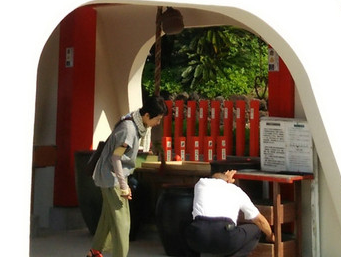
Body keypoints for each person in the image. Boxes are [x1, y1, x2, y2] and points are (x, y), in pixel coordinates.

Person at [87, 96, 167, 257]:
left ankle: (94, 252)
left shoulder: (134, 122)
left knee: (108, 218)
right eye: (157, 119)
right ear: (147, 116)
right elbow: (116, 158)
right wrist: (124, 186)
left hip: (111, 177)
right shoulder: (129, 130)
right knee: (122, 224)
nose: (158, 123)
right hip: (112, 179)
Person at [183, 169, 273, 257]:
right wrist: (270, 235)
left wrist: (225, 178)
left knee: (187, 227)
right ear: (228, 181)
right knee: (255, 230)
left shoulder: (200, 184)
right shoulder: (236, 190)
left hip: (199, 237)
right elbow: (259, 220)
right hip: (225, 236)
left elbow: (217, 180)